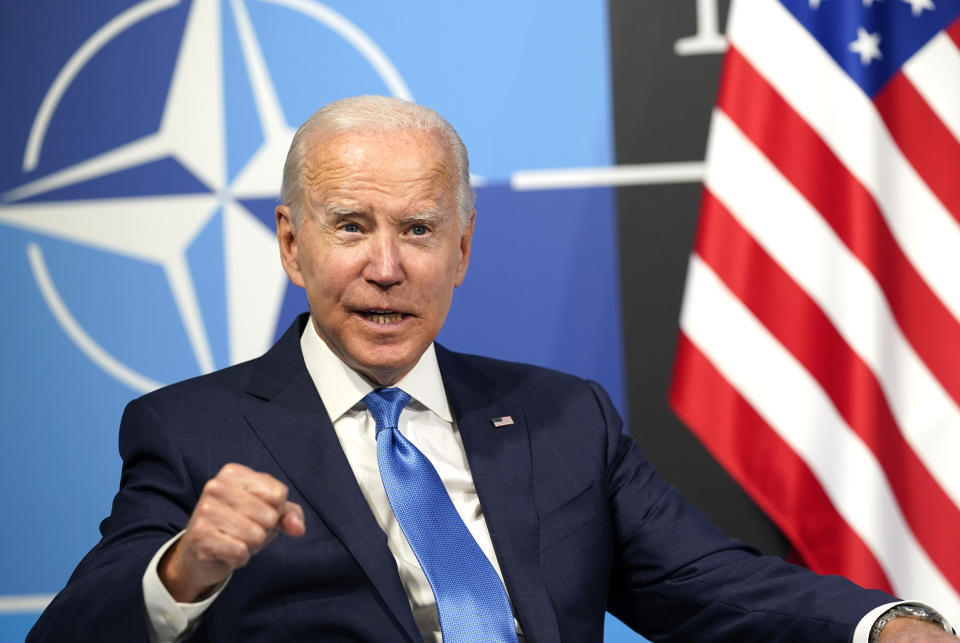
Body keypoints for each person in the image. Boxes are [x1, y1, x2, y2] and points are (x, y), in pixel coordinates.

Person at [28, 96, 956, 642]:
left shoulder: (562, 417)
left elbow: (713, 583)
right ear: (291, 244)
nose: (386, 266)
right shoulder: (193, 429)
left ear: (463, 248)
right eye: (351, 225)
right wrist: (185, 566)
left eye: (419, 230)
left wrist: (885, 628)